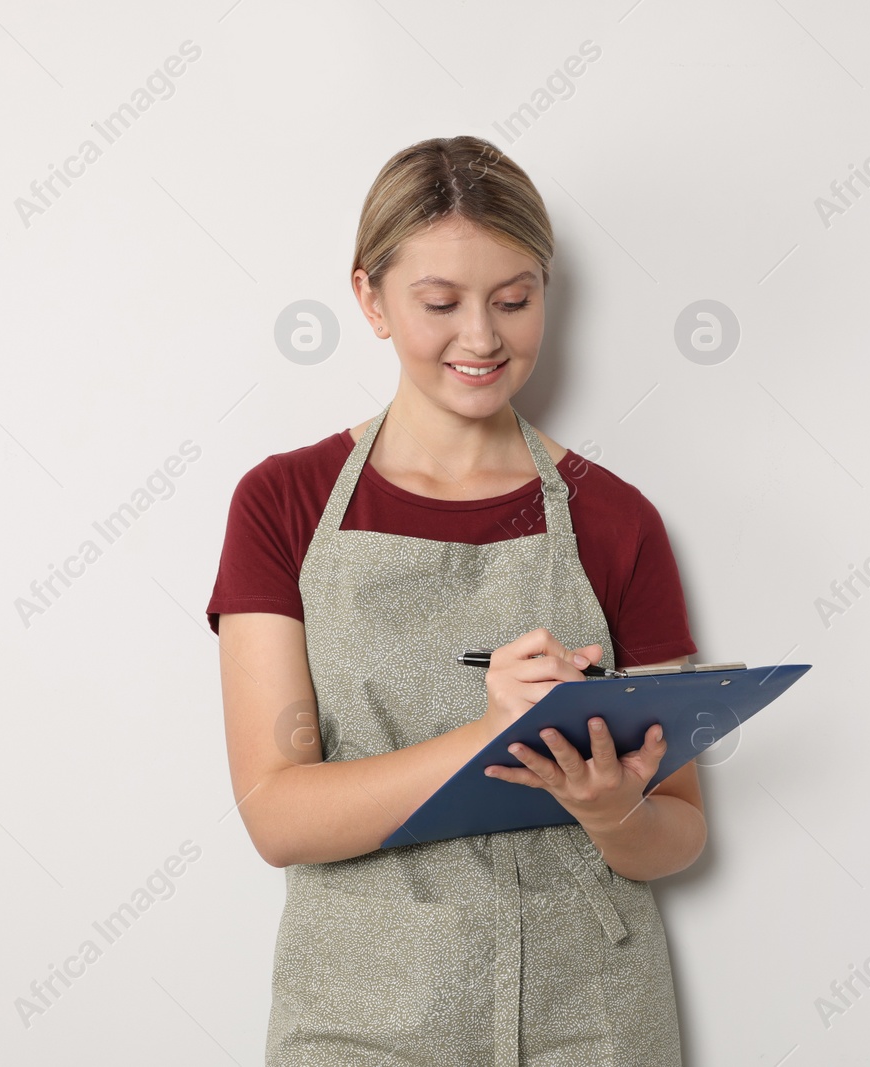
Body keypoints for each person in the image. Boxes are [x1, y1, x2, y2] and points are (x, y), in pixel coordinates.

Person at [206, 134, 706, 1066]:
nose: (482, 338)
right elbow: (278, 814)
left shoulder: (615, 517)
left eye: (515, 301)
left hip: (591, 1021)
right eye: (440, 303)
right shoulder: (283, 503)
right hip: (359, 1026)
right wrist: (488, 735)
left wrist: (611, 810)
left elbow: (679, 830)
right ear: (371, 299)